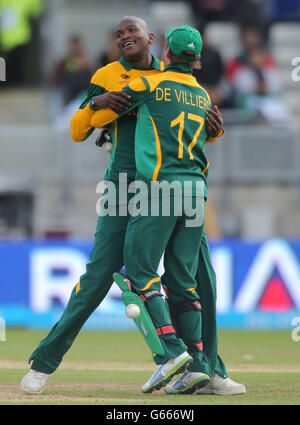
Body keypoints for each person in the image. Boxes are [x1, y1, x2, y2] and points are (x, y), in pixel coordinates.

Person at [21, 16, 243, 396]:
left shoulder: (169, 78)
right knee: (99, 277)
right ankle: (44, 362)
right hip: (124, 188)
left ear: (153, 40)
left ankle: (207, 369)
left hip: (164, 187)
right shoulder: (109, 75)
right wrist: (96, 103)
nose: (125, 37)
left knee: (199, 277)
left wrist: (213, 126)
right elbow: (77, 130)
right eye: (119, 34)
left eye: (132, 31)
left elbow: (193, 131)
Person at [89, 25, 246, 395]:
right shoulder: (205, 97)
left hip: (160, 188)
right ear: (199, 60)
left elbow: (111, 101)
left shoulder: (150, 85)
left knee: (139, 271)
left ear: (167, 55)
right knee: (184, 281)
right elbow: (208, 131)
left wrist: (93, 103)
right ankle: (198, 366)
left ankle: (172, 353)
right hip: (196, 193)